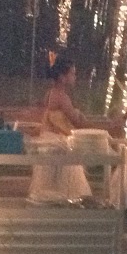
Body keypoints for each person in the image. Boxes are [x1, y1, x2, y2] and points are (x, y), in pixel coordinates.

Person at [28, 56, 95, 202]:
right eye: (72, 73)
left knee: (50, 185)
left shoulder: (50, 93)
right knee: (69, 185)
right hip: (57, 144)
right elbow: (77, 122)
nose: (75, 77)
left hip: (49, 141)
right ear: (62, 77)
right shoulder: (61, 97)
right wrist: (101, 128)